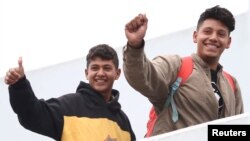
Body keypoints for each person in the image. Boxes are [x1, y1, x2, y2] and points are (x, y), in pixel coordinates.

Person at [123, 5, 244, 137]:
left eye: (221, 34)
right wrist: (134, 47)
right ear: (195, 36)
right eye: (207, 31)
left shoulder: (232, 83)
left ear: (228, 42)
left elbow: (237, 129)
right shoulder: (177, 66)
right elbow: (143, 76)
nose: (214, 37)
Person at [4, 44, 136, 141]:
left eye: (107, 68)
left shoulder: (123, 122)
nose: (100, 73)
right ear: (86, 73)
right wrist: (19, 85)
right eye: (95, 68)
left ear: (117, 73)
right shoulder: (68, 107)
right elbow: (31, 115)